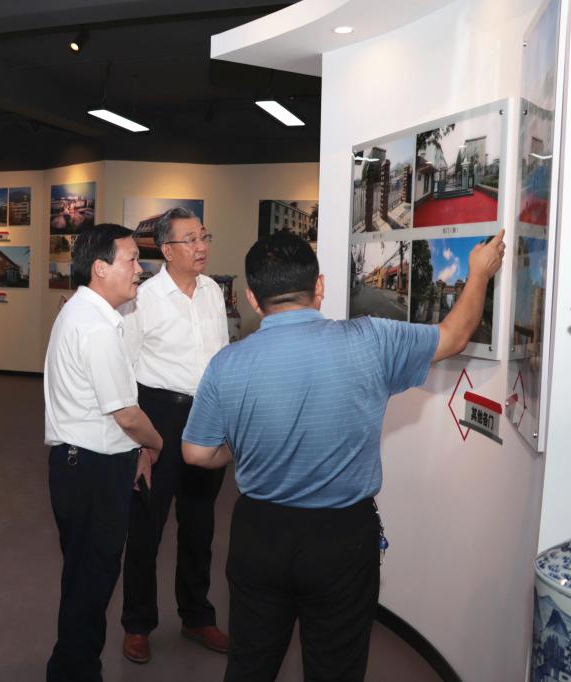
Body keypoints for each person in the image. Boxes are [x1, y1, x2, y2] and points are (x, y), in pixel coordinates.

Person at [182, 229, 505, 681]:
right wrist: (479, 272)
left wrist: (244, 445)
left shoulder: (226, 364)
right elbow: (454, 336)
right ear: (319, 287)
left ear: (253, 298)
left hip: (260, 532)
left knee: (250, 666)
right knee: (336, 669)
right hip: (342, 536)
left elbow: (196, 453)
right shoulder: (371, 339)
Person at [43, 223, 164, 682]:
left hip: (85, 464)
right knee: (89, 586)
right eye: (131, 260)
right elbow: (127, 415)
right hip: (91, 470)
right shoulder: (95, 326)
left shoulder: (84, 313)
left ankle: (70, 668)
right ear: (99, 268)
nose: (140, 270)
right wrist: (156, 443)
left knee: (84, 582)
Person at [119, 207, 230, 664]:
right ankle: (137, 623)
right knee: (147, 527)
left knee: (200, 525)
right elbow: (125, 370)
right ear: (167, 250)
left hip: (207, 415)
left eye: (204, 237)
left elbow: (220, 356)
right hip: (159, 416)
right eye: (190, 240)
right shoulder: (142, 299)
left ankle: (196, 615)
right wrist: (139, 442)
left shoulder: (212, 292)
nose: (201, 247)